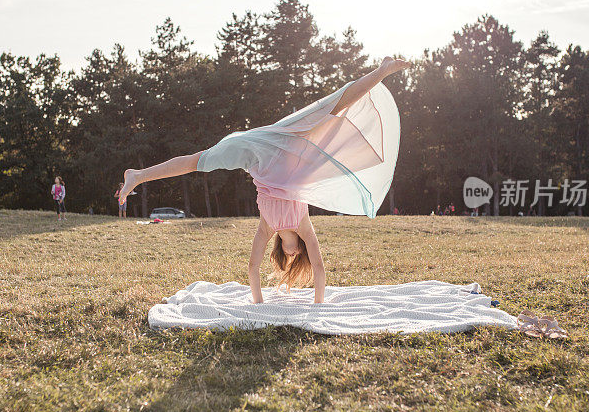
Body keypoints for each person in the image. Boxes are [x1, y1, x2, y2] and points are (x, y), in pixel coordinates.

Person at [119, 57, 411, 304]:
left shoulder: (268, 226)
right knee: (331, 109)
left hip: (256, 154)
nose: (293, 254)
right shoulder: (303, 225)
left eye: (290, 257)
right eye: (298, 254)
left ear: (284, 253)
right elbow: (320, 267)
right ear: (302, 249)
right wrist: (319, 305)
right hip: (281, 143)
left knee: (198, 163)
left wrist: (258, 303)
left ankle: (139, 175)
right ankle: (381, 71)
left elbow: (252, 267)